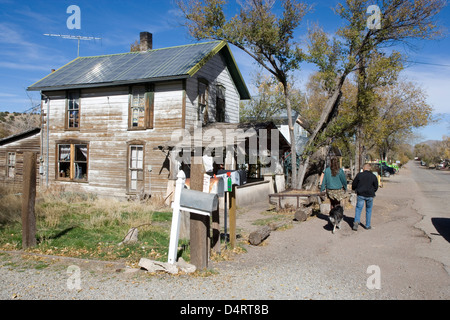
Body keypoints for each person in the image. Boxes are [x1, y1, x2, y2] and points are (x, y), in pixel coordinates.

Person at [352, 163, 379, 231]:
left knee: (358, 209)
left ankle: (356, 222)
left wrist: (355, 189)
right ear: (370, 168)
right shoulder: (373, 176)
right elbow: (376, 186)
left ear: (364, 168)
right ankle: (367, 225)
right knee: (368, 210)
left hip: (360, 194)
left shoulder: (359, 175)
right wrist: (373, 191)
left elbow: (354, 184)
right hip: (370, 195)